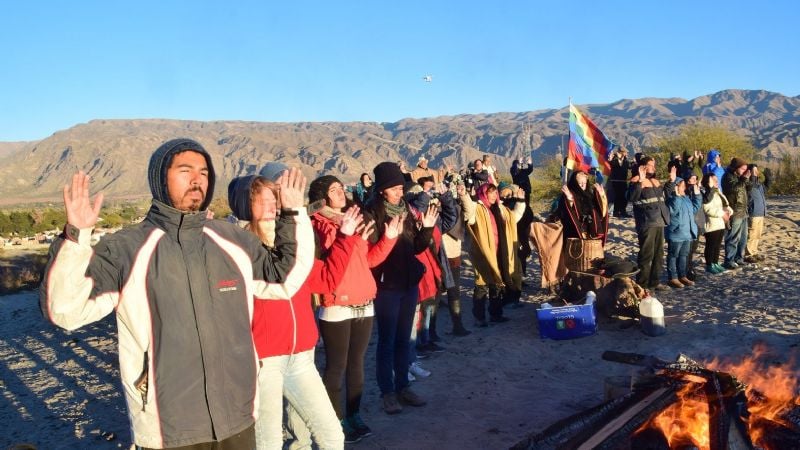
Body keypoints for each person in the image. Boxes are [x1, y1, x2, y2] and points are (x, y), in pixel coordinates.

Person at [40, 138, 312, 449]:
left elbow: (284, 279)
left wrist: (294, 213)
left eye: (204, 173)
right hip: (167, 425)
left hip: (237, 414)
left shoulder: (231, 240)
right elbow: (64, 310)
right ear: (160, 177)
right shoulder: (127, 249)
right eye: (185, 170)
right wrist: (76, 237)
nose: (197, 179)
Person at [228, 175, 361, 450]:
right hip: (265, 361)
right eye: (260, 200)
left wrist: (345, 240)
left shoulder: (288, 244)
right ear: (244, 205)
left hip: (301, 356)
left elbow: (324, 280)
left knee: (333, 436)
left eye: (273, 199)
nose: (270, 206)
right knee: (269, 443)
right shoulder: (238, 249)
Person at [308, 175, 402, 443]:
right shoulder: (317, 225)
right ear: (322, 197)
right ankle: (334, 421)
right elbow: (328, 265)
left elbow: (369, 261)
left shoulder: (354, 220)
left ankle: (354, 415)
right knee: (336, 366)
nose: (339, 192)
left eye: (340, 188)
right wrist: (343, 234)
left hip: (364, 300)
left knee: (357, 365)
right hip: (337, 303)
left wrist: (389, 238)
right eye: (333, 189)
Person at [362, 162, 438, 415]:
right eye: (394, 188)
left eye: (400, 187)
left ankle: (403, 386)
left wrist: (426, 228)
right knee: (387, 341)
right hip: (387, 286)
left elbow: (416, 247)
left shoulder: (405, 208)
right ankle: (388, 393)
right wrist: (388, 237)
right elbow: (370, 256)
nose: (399, 192)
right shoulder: (371, 213)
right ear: (382, 189)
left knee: (405, 339)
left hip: (408, 284)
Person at [464, 182, 526, 326]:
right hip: (484, 252)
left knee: (497, 283)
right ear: (483, 194)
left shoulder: (500, 208)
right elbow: (469, 214)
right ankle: (479, 318)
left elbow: (514, 218)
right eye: (490, 192)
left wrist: (521, 202)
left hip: (500, 251)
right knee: (482, 283)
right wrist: (464, 196)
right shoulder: (478, 209)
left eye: (494, 192)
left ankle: (496, 314)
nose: (493, 195)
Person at [629, 156, 670, 292]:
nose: (654, 167)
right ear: (643, 166)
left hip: (660, 220)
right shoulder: (636, 180)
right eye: (651, 165)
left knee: (658, 254)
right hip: (647, 222)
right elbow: (632, 197)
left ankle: (654, 282)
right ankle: (642, 284)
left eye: (654, 165)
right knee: (646, 254)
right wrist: (640, 181)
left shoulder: (655, 181)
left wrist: (672, 182)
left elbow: (665, 197)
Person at [663, 167, 702, 288]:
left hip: (687, 232)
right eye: (682, 185)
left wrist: (697, 195)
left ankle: (682, 275)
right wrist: (677, 195)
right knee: (673, 255)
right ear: (676, 187)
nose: (684, 187)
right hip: (676, 233)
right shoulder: (672, 199)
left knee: (684, 256)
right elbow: (673, 211)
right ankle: (673, 277)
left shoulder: (686, 198)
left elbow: (694, 209)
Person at [558, 171, 609, 244]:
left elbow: (601, 212)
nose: (582, 185)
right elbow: (566, 212)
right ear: (575, 183)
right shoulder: (570, 193)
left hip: (590, 227)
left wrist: (601, 196)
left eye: (584, 183)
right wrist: (569, 199)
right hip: (576, 228)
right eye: (580, 183)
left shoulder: (589, 194)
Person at [721, 158, 752, 269]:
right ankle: (729, 260)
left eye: (745, 169)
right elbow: (734, 189)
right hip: (734, 211)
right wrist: (743, 179)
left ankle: (739, 258)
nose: (744, 170)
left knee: (743, 238)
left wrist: (748, 178)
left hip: (743, 211)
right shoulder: (727, 177)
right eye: (742, 168)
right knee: (733, 237)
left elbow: (749, 188)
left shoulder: (740, 177)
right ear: (736, 168)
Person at [701, 172, 732, 274]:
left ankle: (715, 263)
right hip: (711, 224)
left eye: (716, 180)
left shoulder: (717, 192)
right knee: (711, 245)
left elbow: (724, 203)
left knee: (717, 245)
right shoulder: (706, 193)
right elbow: (707, 208)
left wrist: (728, 211)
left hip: (720, 223)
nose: (716, 181)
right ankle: (709, 265)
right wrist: (722, 213)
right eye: (713, 180)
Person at [744, 164, 771, 262]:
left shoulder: (759, 185)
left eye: (756, 170)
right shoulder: (749, 183)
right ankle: (748, 254)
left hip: (761, 212)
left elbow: (767, 187)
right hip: (753, 212)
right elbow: (750, 184)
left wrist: (768, 177)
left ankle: (754, 252)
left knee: (757, 234)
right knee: (751, 234)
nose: (756, 172)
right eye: (754, 170)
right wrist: (753, 176)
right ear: (750, 172)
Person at [609, 147, 631, 217]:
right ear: (621, 152)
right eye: (625, 152)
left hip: (623, 181)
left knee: (624, 197)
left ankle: (623, 211)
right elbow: (611, 164)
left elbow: (629, 166)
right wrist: (613, 159)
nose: (626, 153)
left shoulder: (626, 160)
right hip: (615, 181)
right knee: (617, 197)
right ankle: (616, 212)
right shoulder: (614, 159)